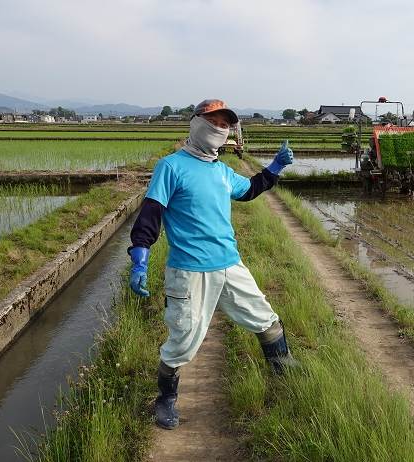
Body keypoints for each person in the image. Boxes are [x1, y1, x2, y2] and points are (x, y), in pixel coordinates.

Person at [127, 99, 297, 430]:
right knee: (183, 338)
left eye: (225, 124)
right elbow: (151, 214)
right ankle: (165, 399)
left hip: (230, 264)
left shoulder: (221, 171)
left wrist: (275, 167)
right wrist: (140, 258)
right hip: (189, 270)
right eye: (213, 121)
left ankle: (284, 368)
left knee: (265, 318)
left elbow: (248, 190)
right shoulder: (171, 167)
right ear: (196, 123)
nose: (219, 128)